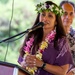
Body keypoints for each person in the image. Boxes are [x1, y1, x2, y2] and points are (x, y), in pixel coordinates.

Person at [18, 1, 74, 75]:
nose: (45, 18)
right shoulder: (31, 36)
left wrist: (42, 64)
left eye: (50, 16)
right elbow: (21, 62)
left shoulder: (60, 41)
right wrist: (24, 64)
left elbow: (62, 71)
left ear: (56, 21)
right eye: (43, 14)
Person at [59, 1, 75, 75]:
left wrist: (72, 72)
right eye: (65, 13)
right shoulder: (50, 35)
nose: (68, 17)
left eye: (71, 14)